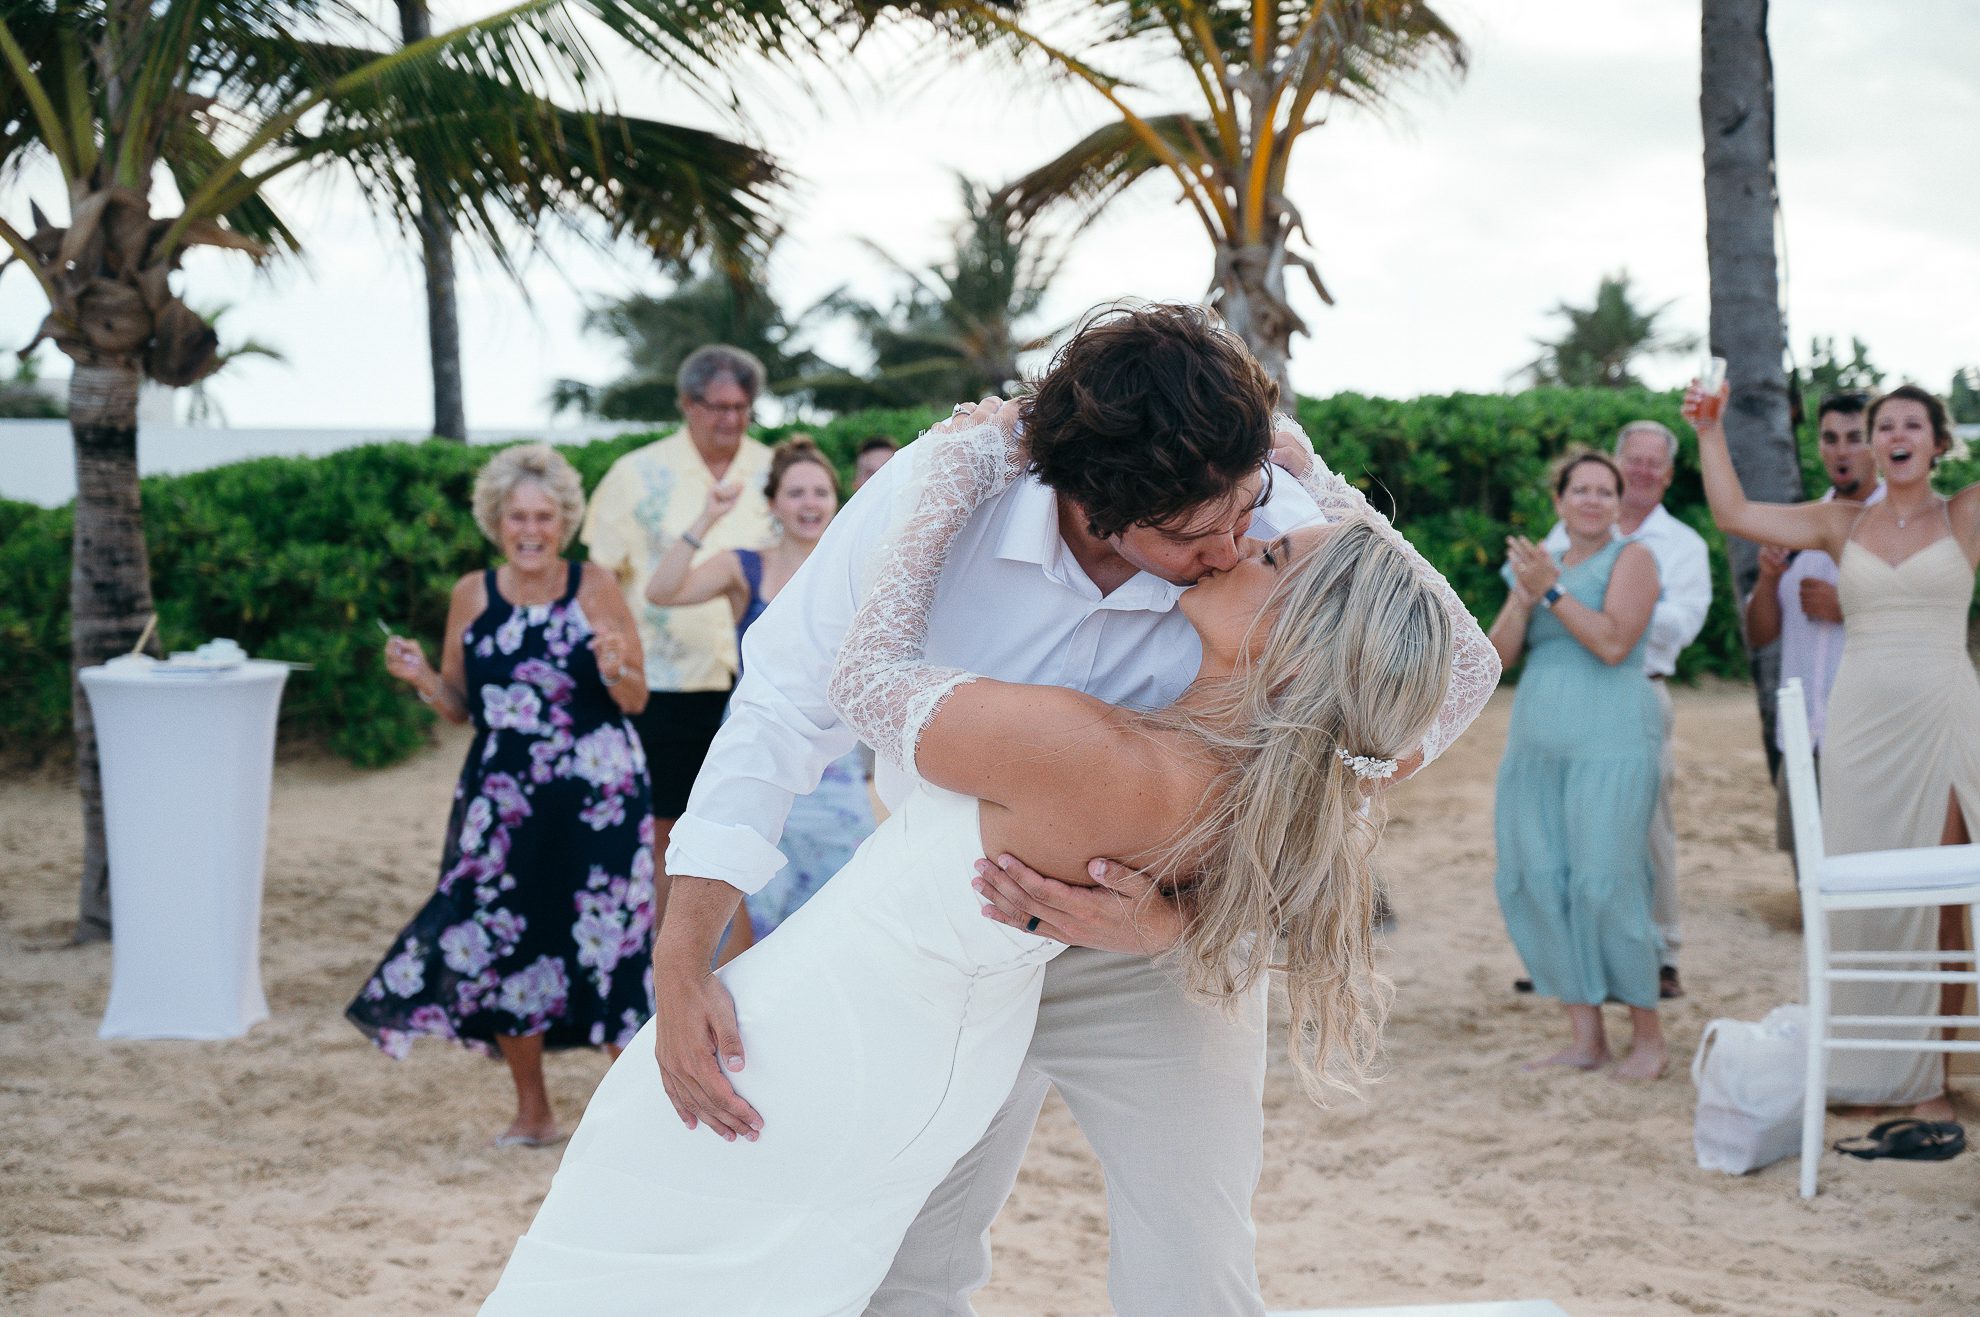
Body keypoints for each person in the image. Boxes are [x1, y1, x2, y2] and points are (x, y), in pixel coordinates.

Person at [481, 393, 1485, 1314]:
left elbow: (864, 681)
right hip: (961, 972)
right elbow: (785, 701)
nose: (1234, 543)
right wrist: (683, 945)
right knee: (912, 1252)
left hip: (1146, 955)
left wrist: (1298, 468)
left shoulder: (1235, 532)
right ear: (1101, 501)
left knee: (1194, 1248)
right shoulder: (1188, 676)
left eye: (1256, 526)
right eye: (1200, 533)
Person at [1686, 379, 1979, 1118]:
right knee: (1866, 900)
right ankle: (1879, 1069)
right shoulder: (1837, 520)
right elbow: (1734, 513)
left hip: (1946, 714)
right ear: (1876, 444)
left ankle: (1937, 1075)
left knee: (1943, 897)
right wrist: (1710, 430)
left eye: (1914, 422)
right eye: (1885, 424)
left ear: (1938, 443)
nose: (1897, 432)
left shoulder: (1965, 514)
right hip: (1860, 728)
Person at [349, 444, 655, 1147]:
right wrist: (423, 676)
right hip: (504, 796)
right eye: (517, 515)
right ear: (495, 519)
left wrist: (614, 668)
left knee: (611, 944)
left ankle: (647, 1119)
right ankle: (535, 1113)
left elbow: (635, 698)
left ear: (564, 521)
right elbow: (461, 705)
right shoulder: (471, 593)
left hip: (597, 798)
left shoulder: (594, 585)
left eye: (544, 516)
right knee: (510, 937)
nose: (530, 529)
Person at [643, 438, 876, 963]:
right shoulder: (744, 566)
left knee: (844, 892)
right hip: (760, 744)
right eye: (795, 492)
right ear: (773, 503)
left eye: (820, 491)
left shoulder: (856, 567)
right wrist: (706, 517)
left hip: (832, 756)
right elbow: (661, 591)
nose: (810, 503)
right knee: (756, 892)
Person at [581, 345, 774, 925]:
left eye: (741, 407)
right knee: (667, 825)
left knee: (744, 826)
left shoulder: (772, 472)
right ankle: (664, 953)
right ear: (686, 405)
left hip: (754, 685)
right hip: (666, 685)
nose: (730, 421)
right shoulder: (635, 474)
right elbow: (601, 580)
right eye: (716, 407)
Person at [1491, 450, 1668, 1079]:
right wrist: (1523, 594)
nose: (1592, 500)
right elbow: (1498, 658)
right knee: (1538, 879)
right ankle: (1585, 1037)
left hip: (1612, 742)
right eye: (1580, 490)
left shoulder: (1635, 559)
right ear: (1560, 500)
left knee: (1606, 882)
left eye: (1605, 490)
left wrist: (1553, 592)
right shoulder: (1544, 567)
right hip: (1536, 748)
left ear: (1620, 504)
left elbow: (1614, 642)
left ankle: (1647, 1035)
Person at [1542, 419, 1710, 999]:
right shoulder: (1563, 535)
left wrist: (1600, 610)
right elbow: (1534, 606)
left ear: (1666, 475)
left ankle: (1663, 955)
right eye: (1630, 460)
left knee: (1645, 828)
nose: (1640, 471)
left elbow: (1679, 628)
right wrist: (1608, 611)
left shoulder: (1682, 546)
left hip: (1637, 691)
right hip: (1568, 695)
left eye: (1652, 463)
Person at [1741, 391, 1882, 856]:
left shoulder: (1904, 526)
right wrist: (1767, 580)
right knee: (1810, 884)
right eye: (1830, 438)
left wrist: (1850, 608)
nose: (1842, 451)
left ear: (1878, 443)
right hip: (1805, 740)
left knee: (1879, 877)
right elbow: (1761, 635)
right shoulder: (1800, 526)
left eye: (1855, 438)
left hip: (1872, 739)